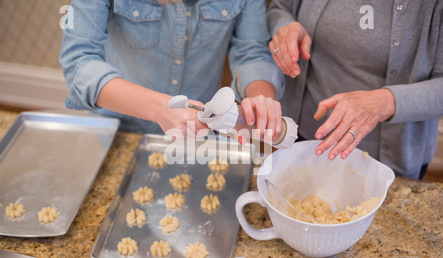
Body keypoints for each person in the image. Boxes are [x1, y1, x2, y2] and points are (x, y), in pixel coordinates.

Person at [59, 0, 284, 142]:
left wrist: (260, 99)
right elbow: (79, 61)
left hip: (200, 131)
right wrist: (160, 109)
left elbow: (252, 52)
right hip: (117, 129)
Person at [267, 0, 443, 179]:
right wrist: (285, 28)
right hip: (302, 135)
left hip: (385, 161)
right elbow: (280, 8)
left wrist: (385, 102)